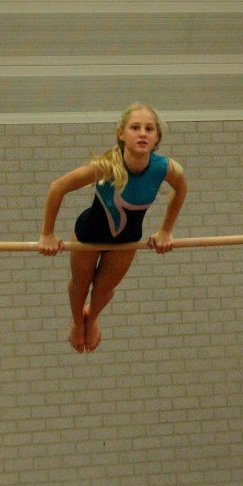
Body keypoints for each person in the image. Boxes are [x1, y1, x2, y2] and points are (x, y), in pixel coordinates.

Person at [38, 103, 187, 353]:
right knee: (81, 284)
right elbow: (57, 188)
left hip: (125, 242)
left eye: (149, 129)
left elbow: (181, 190)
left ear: (157, 137)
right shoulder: (107, 165)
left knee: (104, 291)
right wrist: (47, 234)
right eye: (135, 127)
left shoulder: (164, 168)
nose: (142, 133)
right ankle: (77, 322)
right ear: (121, 134)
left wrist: (165, 230)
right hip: (88, 236)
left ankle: (92, 316)